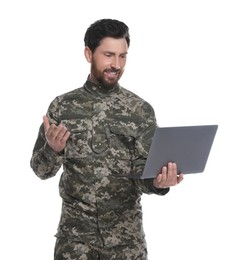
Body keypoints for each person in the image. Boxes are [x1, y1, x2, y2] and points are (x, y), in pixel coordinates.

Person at [30, 18, 184, 260]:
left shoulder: (140, 110)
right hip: (75, 243)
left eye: (123, 56)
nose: (116, 64)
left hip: (126, 243)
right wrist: (53, 149)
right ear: (88, 53)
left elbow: (142, 176)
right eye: (109, 55)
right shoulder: (62, 106)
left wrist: (158, 182)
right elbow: (40, 170)